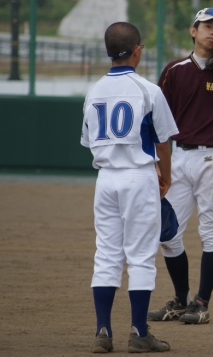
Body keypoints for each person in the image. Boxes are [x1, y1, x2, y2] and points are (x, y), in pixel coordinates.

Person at [81, 22, 178, 353]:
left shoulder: (93, 91)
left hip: (105, 179)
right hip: (139, 175)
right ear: (137, 50)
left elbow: (88, 139)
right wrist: (165, 177)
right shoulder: (148, 90)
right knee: (140, 257)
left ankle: (103, 332)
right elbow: (163, 143)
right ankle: (138, 331)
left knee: (106, 254)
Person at [148, 7, 213, 325]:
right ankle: (180, 298)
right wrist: (159, 164)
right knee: (167, 233)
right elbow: (157, 118)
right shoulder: (175, 70)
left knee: (210, 233)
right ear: (193, 30)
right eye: (206, 26)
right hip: (178, 157)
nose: (212, 32)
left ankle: (201, 303)